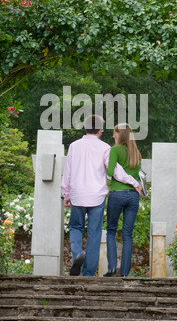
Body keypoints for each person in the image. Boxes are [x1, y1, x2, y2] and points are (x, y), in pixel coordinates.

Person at [61, 115, 142, 276]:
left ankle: (77, 253)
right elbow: (117, 172)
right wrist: (135, 183)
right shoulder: (105, 148)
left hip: (78, 194)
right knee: (94, 233)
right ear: (100, 130)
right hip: (97, 196)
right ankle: (89, 273)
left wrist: (66, 194)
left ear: (85, 128)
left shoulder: (74, 146)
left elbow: (67, 172)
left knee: (76, 227)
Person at [105, 123, 141, 277]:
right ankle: (125, 273)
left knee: (111, 231)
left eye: (115, 133)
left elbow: (110, 172)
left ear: (121, 135)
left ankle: (112, 267)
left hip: (117, 194)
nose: (113, 136)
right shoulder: (136, 153)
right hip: (133, 196)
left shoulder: (115, 150)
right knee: (127, 234)